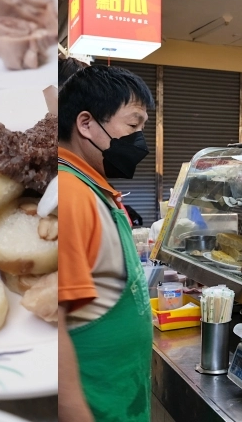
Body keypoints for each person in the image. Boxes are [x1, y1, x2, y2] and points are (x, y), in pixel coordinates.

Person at [58, 66, 155, 422]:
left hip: (119, 402)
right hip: (96, 408)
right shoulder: (70, 193)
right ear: (86, 124)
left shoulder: (93, 188)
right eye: (133, 125)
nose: (140, 139)